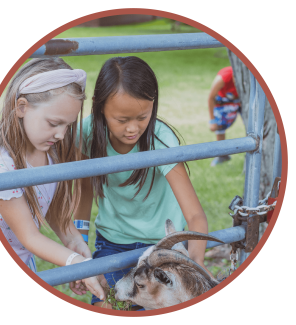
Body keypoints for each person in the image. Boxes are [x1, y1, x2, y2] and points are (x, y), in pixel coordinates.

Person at [73, 56, 212, 309]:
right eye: (122, 120)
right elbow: (83, 197)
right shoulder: (88, 133)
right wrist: (81, 256)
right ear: (99, 107)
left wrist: (196, 264)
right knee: (107, 305)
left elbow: (195, 216)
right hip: (112, 243)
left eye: (142, 116)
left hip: (160, 249)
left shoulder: (162, 141)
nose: (133, 129)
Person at [0, 57, 106, 300]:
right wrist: (73, 262)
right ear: (21, 107)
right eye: (54, 123)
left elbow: (46, 203)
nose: (62, 134)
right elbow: (29, 236)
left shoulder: (49, 151)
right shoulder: (2, 166)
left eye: (68, 125)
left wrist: (73, 242)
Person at [208, 66, 241, 166]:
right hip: (223, 101)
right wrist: (212, 121)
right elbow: (210, 98)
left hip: (240, 100)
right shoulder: (224, 77)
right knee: (220, 125)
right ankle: (222, 155)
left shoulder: (247, 79)